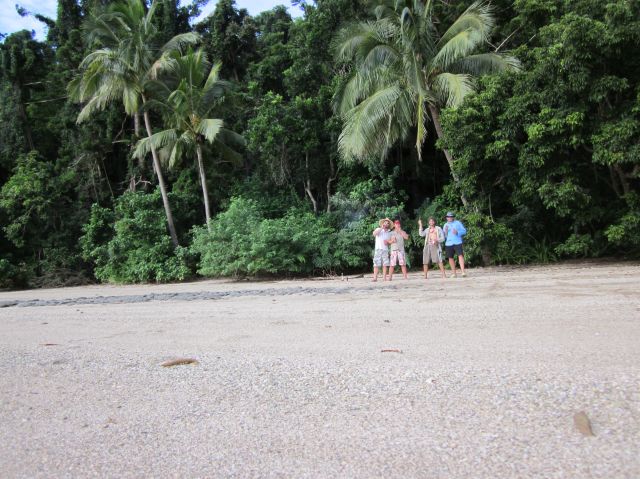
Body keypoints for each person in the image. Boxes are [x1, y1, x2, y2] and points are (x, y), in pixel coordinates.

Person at [443, 211, 467, 277]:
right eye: (448, 217)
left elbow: (464, 231)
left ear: (453, 217)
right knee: (450, 258)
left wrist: (457, 232)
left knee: (460, 255)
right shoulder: (445, 225)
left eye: (451, 216)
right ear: (446, 218)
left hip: (457, 242)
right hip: (448, 243)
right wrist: (446, 231)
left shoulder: (458, 223)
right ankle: (454, 273)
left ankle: (463, 272)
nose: (449, 218)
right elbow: (444, 236)